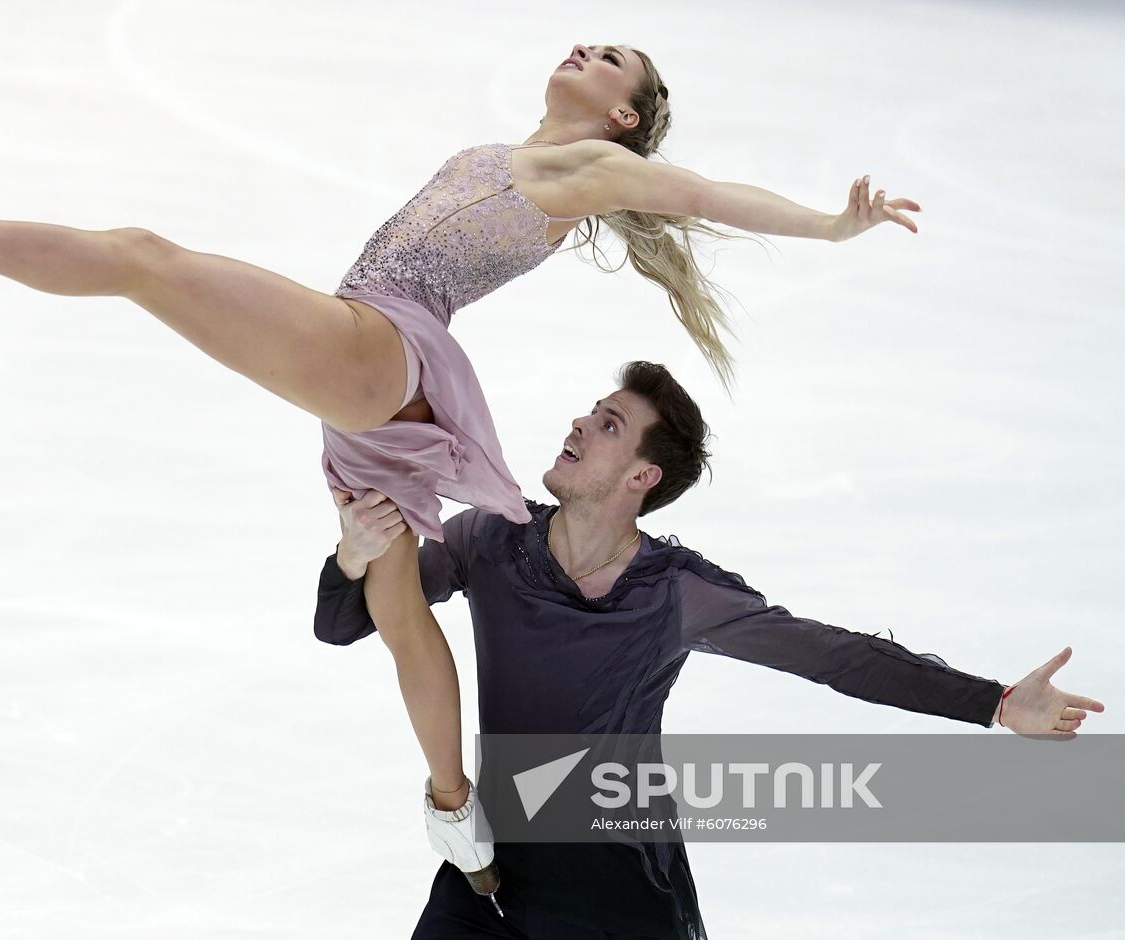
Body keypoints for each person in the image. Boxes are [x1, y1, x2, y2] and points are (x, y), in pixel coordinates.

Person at [0, 41, 922, 890]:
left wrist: (829, 225)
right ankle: (451, 805)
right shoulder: (520, 152)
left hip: (383, 341)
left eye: (612, 59)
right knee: (395, 599)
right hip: (381, 363)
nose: (586, 46)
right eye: (588, 37)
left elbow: (703, 195)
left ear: (622, 116)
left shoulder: (588, 165)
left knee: (145, 260)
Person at [314, 360, 1107, 938]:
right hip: (488, 886)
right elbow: (351, 622)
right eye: (592, 411)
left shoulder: (677, 591)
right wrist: (352, 557)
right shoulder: (489, 540)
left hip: (622, 903)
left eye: (609, 425)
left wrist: (995, 702)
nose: (581, 424)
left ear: (642, 477)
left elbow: (832, 656)